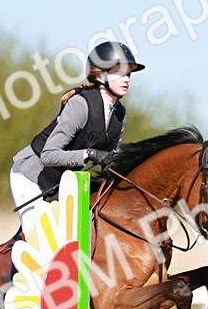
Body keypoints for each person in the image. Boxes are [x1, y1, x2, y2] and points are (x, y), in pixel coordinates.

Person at [10, 41, 145, 232]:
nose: (127, 79)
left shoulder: (119, 114)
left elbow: (111, 162)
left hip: (61, 183)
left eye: (129, 74)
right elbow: (48, 155)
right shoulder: (80, 105)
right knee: (39, 237)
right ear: (100, 74)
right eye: (120, 73)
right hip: (31, 174)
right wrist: (89, 154)